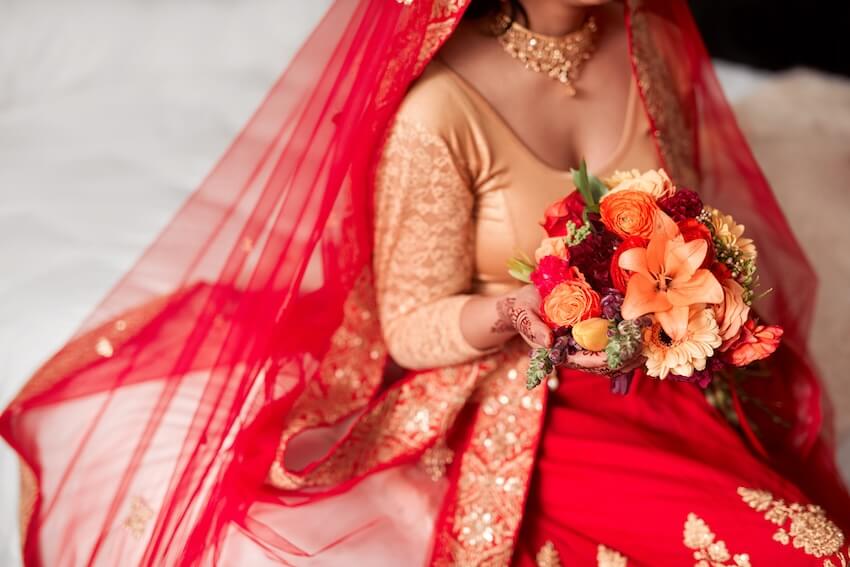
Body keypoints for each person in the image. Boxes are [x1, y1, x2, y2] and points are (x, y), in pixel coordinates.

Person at [3, 1, 849, 565]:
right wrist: (516, 314)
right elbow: (409, 325)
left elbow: (683, 221)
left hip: (662, 372)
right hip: (529, 394)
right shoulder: (439, 110)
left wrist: (697, 309)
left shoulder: (650, 42)